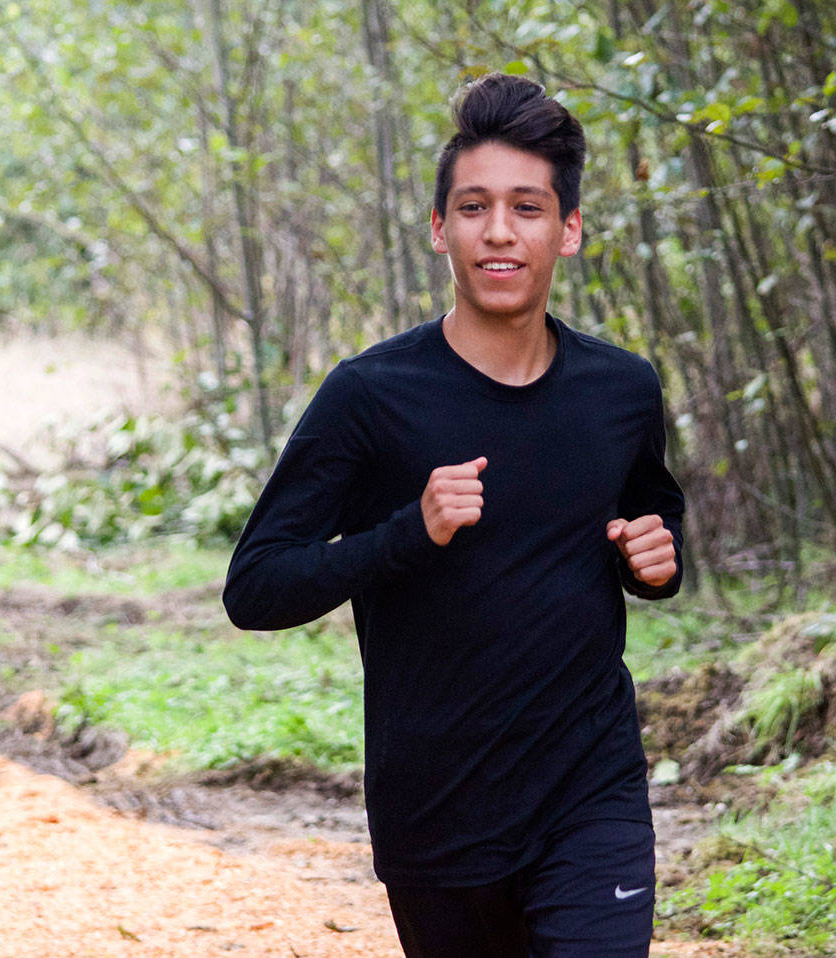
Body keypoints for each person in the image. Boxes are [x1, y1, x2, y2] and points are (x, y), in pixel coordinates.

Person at [223, 72, 685, 957]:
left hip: (593, 795)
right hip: (439, 815)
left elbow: (649, 529)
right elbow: (257, 585)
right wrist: (410, 532)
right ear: (441, 229)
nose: (500, 231)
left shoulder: (622, 391)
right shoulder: (369, 396)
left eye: (528, 207)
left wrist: (653, 563)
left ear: (570, 229)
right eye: (474, 207)